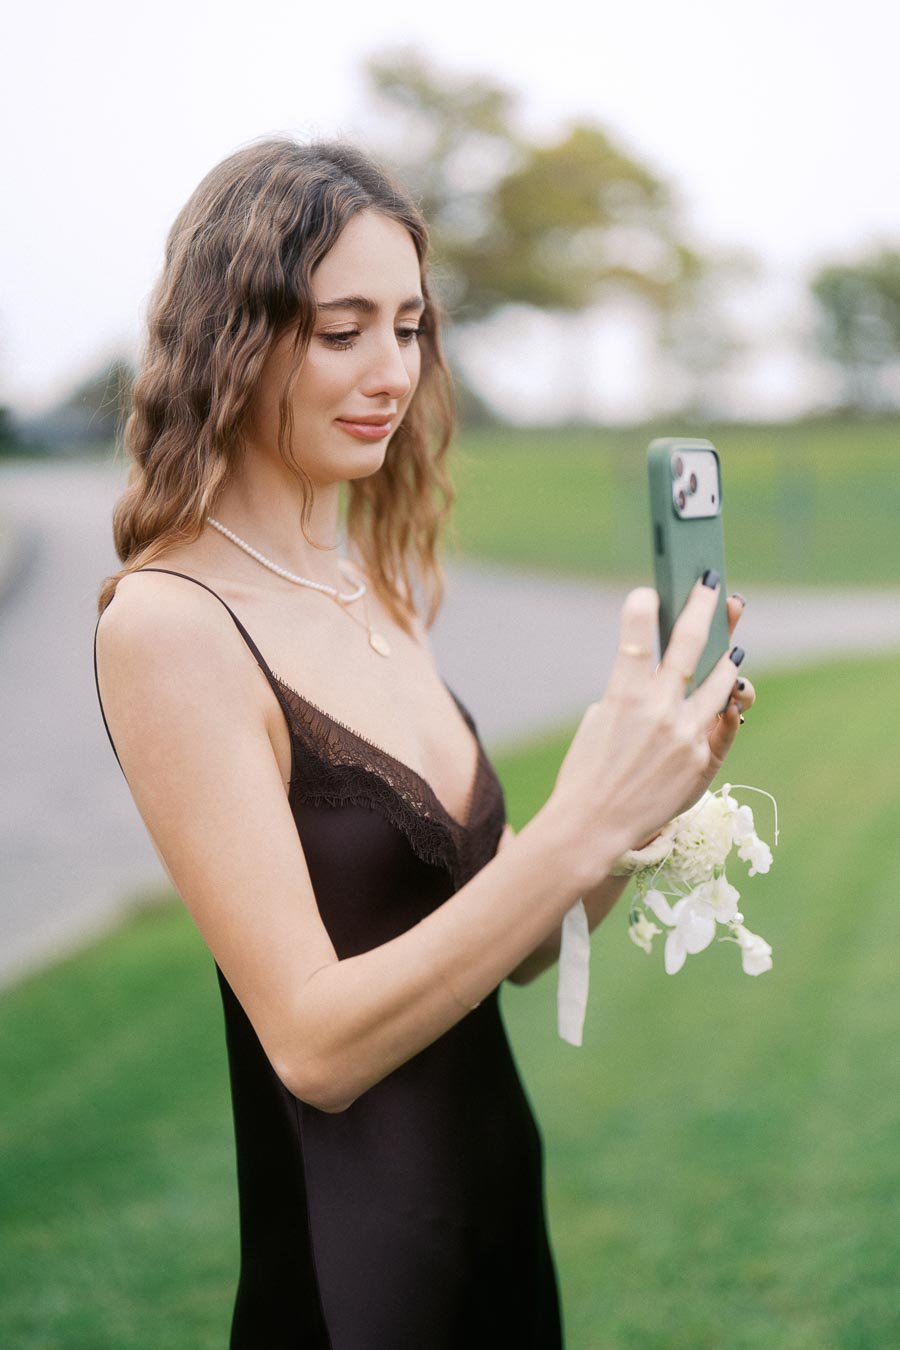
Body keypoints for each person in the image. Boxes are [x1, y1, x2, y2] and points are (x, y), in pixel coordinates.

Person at [93, 136, 754, 1349]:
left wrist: (645, 802)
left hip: (495, 1222)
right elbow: (313, 1046)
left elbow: (520, 947)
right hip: (355, 1281)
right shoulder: (171, 625)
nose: (391, 372)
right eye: (342, 331)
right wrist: (576, 826)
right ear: (230, 338)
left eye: (409, 328)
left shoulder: (375, 588)